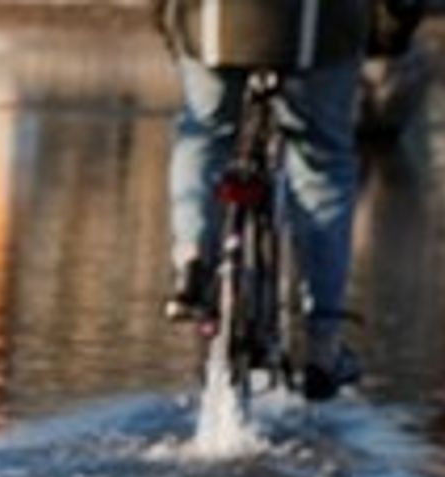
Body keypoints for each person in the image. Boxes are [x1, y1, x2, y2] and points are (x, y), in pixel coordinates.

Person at [156, 0, 420, 399]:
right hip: (321, 29)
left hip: (213, 22)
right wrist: (391, 30)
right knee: (322, 164)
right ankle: (322, 344)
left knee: (205, 134)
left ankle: (191, 262)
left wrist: (168, 21)